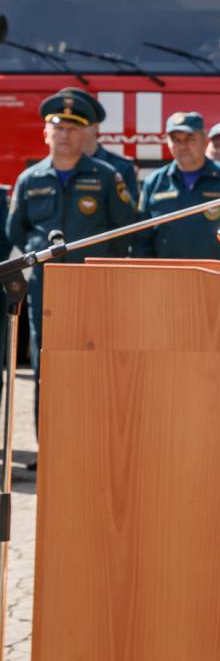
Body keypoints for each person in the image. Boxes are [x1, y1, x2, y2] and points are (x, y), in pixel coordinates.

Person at [6, 91, 135, 452]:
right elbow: (16, 231)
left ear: (85, 134)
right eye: (56, 127)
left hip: (91, 285)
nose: (63, 134)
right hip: (45, 289)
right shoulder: (30, 180)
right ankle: (47, 446)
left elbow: (124, 229)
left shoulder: (108, 177)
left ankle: (88, 444)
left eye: (72, 128)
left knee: (91, 366)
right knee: (46, 369)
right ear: (45, 133)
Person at [133, 112, 220, 261]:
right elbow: (142, 239)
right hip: (167, 277)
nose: (183, 146)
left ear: (204, 140)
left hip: (218, 276)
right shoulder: (154, 182)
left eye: (189, 139)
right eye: (176, 140)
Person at [53, 85, 141, 202]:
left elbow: (130, 218)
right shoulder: (39, 173)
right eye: (61, 127)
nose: (66, 133)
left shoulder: (121, 168)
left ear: (95, 127)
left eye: (77, 125)